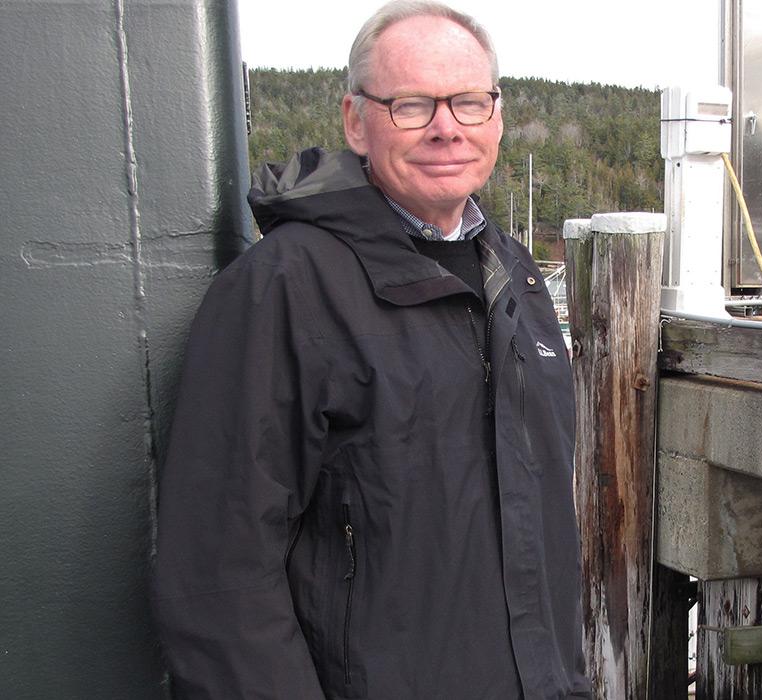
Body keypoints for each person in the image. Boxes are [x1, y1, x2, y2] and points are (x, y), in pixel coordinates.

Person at [151, 2, 589, 697]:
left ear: (496, 117)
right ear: (356, 120)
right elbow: (217, 575)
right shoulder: (285, 288)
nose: (447, 128)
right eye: (411, 105)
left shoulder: (517, 276)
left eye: (470, 102)